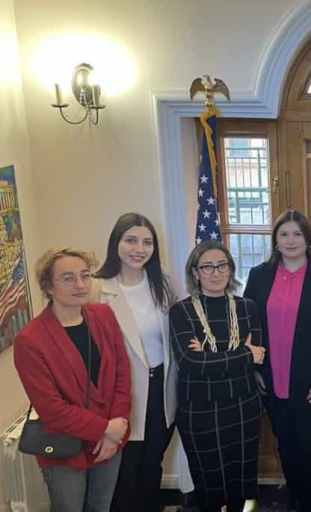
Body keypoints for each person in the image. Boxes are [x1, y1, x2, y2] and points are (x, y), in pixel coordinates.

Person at [14, 247, 132, 512]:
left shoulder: (104, 315)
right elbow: (51, 409)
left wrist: (118, 425)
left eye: (85, 275)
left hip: (110, 440)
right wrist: (105, 428)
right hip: (65, 447)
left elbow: (122, 374)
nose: (80, 284)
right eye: (68, 278)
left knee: (100, 507)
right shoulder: (30, 340)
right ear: (48, 286)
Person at [243, 210, 311, 512]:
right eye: (284, 234)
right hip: (272, 380)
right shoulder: (259, 276)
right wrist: (255, 369)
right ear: (275, 240)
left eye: (297, 234)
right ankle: (297, 502)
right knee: (286, 446)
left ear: (308, 240)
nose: (291, 240)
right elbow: (249, 325)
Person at [92, 212, 195, 511]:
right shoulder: (98, 288)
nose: (139, 249)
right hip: (122, 392)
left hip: (162, 387)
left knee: (152, 464)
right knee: (126, 470)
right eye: (131, 240)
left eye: (147, 242)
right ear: (116, 243)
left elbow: (181, 325)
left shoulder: (161, 280)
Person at [169, 240, 266, 512]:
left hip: (243, 406)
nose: (216, 272)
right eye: (207, 267)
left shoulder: (247, 307)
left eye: (222, 265)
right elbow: (190, 363)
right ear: (195, 272)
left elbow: (258, 355)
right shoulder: (181, 311)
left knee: (240, 481)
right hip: (200, 411)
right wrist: (244, 354)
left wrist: (209, 356)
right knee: (209, 484)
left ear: (231, 269)